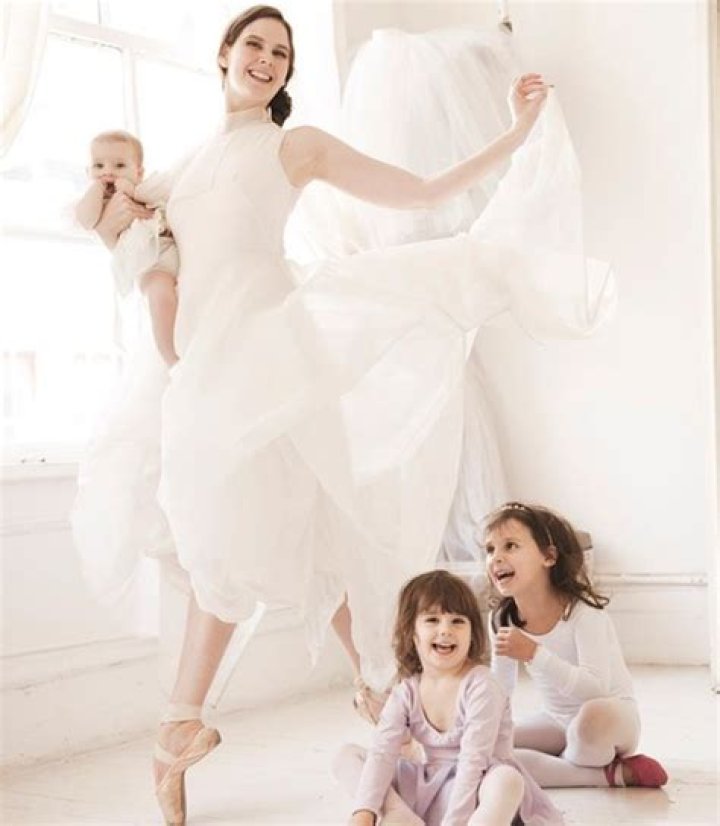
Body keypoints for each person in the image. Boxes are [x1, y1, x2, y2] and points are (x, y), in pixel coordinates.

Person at [71, 6, 615, 823]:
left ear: (286, 73)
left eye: (280, 52)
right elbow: (113, 227)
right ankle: (330, 702)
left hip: (274, 357)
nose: (266, 59)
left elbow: (423, 190)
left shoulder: (296, 147)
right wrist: (112, 200)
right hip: (204, 368)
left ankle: (335, 701)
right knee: (243, 533)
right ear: (224, 54)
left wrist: (514, 132)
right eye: (254, 44)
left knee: (306, 529)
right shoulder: (183, 166)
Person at [334, 570, 564, 826]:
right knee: (348, 756)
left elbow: (474, 762)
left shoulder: (482, 685)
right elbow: (382, 751)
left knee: (507, 780)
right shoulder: (407, 690)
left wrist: (454, 822)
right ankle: (399, 814)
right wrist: (364, 813)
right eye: (432, 620)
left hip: (479, 791)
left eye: (457, 621)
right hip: (435, 788)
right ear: (411, 632)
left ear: (472, 633)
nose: (445, 630)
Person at [484, 502, 668, 789]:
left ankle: (564, 763)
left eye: (510, 546)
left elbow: (596, 689)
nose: (496, 557)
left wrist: (534, 653)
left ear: (548, 557)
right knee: (487, 746)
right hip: (556, 721)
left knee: (589, 723)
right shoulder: (501, 619)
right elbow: (501, 688)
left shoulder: (584, 614)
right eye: (489, 549)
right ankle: (611, 775)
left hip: (608, 718)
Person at [76, 130, 180, 366]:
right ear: (88, 171)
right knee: (160, 296)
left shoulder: (144, 190)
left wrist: (133, 190)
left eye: (119, 165)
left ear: (139, 172)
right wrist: (96, 188)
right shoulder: (97, 203)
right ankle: (172, 359)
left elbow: (166, 198)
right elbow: (85, 220)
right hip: (151, 264)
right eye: (98, 166)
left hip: (174, 250)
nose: (108, 172)